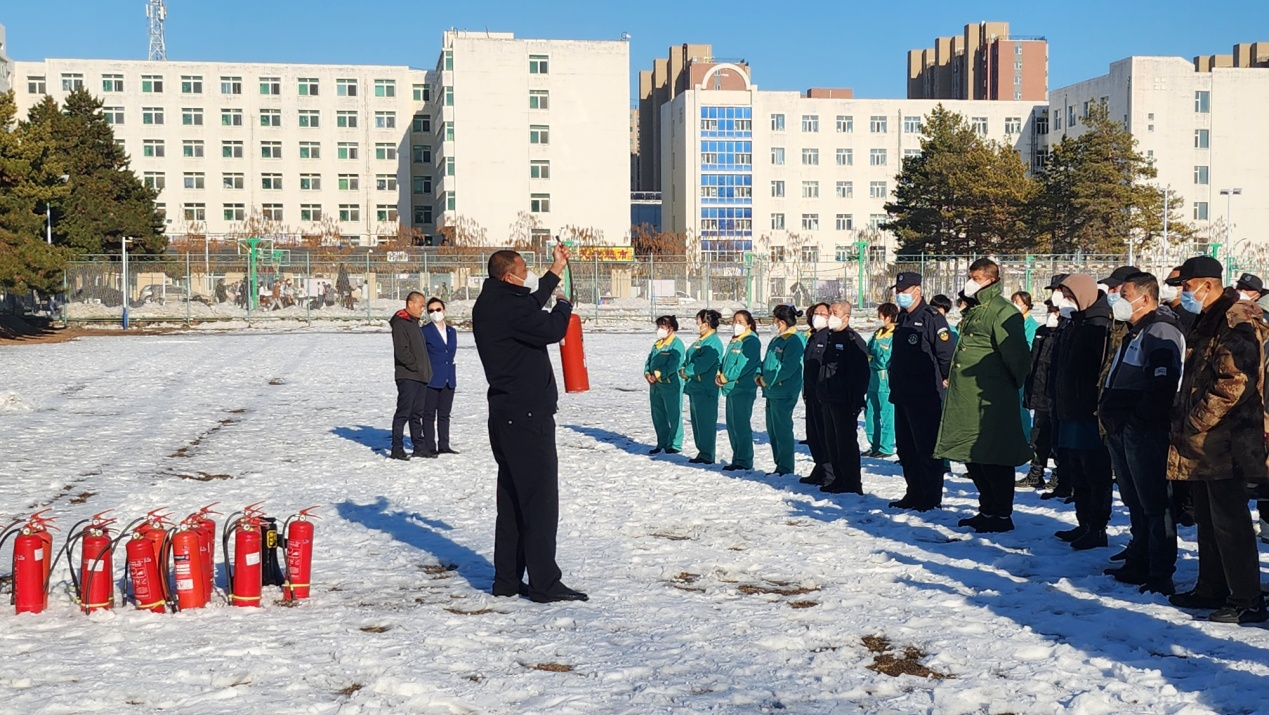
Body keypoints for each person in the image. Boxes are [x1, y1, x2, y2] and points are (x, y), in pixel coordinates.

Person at [472, 243, 588, 603]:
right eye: (524, 269)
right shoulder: (510, 307)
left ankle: (507, 579)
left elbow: (530, 303)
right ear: (510, 277)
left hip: (505, 415)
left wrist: (556, 270)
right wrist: (564, 304)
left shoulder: (492, 301)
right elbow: (551, 328)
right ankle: (544, 582)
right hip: (527, 416)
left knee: (512, 501)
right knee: (539, 501)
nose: (529, 274)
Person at [1166, 256, 1267, 624]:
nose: (1183, 293)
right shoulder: (1207, 317)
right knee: (1208, 518)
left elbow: (1234, 382)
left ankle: (1246, 599)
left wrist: (1197, 419)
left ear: (1207, 285)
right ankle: (1211, 587)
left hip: (1227, 440)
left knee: (1230, 521)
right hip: (1203, 442)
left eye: (1187, 286)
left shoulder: (1235, 319)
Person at [1098, 272, 1184, 596]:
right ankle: (1140, 559)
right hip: (1124, 429)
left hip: (1144, 430)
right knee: (1136, 500)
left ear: (1144, 298)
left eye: (1124, 295)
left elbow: (1163, 382)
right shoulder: (1136, 330)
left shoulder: (1159, 329)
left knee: (1154, 501)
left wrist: (1138, 420)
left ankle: (1159, 571)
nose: (1117, 300)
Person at [936, 259, 1034, 533]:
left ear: (991, 280)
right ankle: (987, 509)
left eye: (977, 278)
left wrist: (1006, 385)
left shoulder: (1002, 311)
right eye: (970, 277)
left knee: (995, 456)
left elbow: (1017, 357)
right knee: (974, 454)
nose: (970, 282)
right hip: (967, 396)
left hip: (991, 396)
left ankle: (1001, 514)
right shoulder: (976, 309)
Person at [1049, 274, 1115, 550]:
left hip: (1088, 411)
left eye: (1069, 295)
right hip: (1069, 408)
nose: (1065, 301)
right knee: (1076, 469)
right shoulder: (1075, 323)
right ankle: (1084, 521)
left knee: (1094, 471)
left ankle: (1097, 526)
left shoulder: (1099, 325)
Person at [888, 273, 955, 511]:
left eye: (905, 291)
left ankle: (930, 497)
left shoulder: (931, 318)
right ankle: (913, 492)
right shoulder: (903, 318)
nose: (900, 295)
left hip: (925, 395)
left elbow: (946, 353)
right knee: (906, 449)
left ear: (917, 290)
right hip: (902, 393)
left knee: (926, 449)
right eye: (898, 291)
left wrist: (946, 377)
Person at [818, 301, 871, 494]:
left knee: (845, 443)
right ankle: (838, 478)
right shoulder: (830, 337)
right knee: (832, 442)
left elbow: (860, 373)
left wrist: (856, 400)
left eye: (835, 312)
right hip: (829, 397)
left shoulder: (852, 340)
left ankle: (851, 482)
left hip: (844, 400)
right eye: (830, 312)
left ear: (846, 317)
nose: (830, 316)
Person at [1018, 276, 1066, 489]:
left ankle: (1059, 475)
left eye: (1055, 310)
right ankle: (1035, 473)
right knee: (1038, 436)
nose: (1051, 313)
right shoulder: (1041, 332)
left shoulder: (1066, 332)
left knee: (1058, 438)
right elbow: (1034, 365)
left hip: (1057, 396)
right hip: (1040, 395)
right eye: (1049, 309)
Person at [759, 305, 805, 476]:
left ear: (782, 322)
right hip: (771, 391)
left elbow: (788, 368)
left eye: (775, 320)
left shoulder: (794, 341)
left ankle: (786, 467)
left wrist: (768, 379)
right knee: (773, 430)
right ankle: (779, 465)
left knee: (782, 430)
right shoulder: (776, 340)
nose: (773, 323)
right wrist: (759, 374)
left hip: (783, 391)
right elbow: (766, 361)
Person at [389, 292, 433, 461]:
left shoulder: (414, 323)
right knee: (404, 413)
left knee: (417, 414)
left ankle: (419, 447)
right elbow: (402, 352)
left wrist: (425, 370)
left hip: (420, 376)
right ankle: (397, 448)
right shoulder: (401, 323)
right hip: (408, 376)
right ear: (410, 304)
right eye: (421, 306)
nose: (423, 309)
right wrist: (415, 366)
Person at [717, 310, 762, 472]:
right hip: (731, 389)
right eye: (734, 321)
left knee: (741, 426)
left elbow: (742, 365)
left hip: (742, 388)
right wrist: (719, 372)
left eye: (740, 321)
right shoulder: (736, 340)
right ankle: (737, 458)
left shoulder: (750, 341)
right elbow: (726, 361)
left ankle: (744, 460)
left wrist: (725, 377)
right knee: (733, 426)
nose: (736, 324)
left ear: (749, 324)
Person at [682, 309, 724, 464]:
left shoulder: (712, 342)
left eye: (698, 322)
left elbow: (702, 364)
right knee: (698, 422)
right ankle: (702, 452)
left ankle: (707, 454)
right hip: (695, 387)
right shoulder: (700, 340)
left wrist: (686, 371)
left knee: (705, 422)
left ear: (706, 323)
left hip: (705, 388)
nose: (696, 324)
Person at [420, 297, 459, 458]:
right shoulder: (425, 331)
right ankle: (430, 446)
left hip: (449, 377)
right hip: (432, 378)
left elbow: (450, 352)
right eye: (431, 311)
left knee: (444, 414)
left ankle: (444, 445)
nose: (435, 313)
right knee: (429, 414)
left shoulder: (451, 331)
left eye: (438, 309)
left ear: (444, 310)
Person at [800, 303, 834, 485]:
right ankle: (819, 468)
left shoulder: (829, 337)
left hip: (823, 394)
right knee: (813, 435)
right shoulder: (813, 337)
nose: (818, 316)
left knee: (824, 435)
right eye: (816, 313)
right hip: (811, 393)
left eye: (823, 313)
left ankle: (829, 473)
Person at [644, 315, 686, 455]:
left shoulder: (676, 344)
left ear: (671, 328)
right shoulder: (657, 344)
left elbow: (674, 364)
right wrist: (647, 373)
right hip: (655, 386)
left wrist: (658, 374)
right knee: (658, 415)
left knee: (674, 414)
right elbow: (649, 360)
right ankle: (662, 442)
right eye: (659, 327)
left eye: (663, 327)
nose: (660, 329)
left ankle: (675, 444)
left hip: (670, 385)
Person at [864, 303, 897, 458]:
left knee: (887, 414)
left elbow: (885, 360)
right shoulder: (878, 333)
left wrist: (872, 358)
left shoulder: (895, 335)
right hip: (872, 379)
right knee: (870, 412)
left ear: (888, 316)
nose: (879, 317)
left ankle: (886, 446)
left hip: (885, 381)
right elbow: (868, 350)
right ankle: (874, 444)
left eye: (881, 315)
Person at [1161, 267, 1197, 334]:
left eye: (1173, 283)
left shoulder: (1193, 316)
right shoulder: (1161, 311)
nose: (1166, 287)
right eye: (1166, 283)